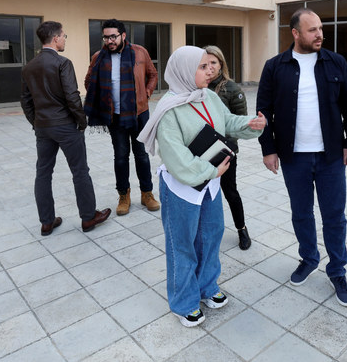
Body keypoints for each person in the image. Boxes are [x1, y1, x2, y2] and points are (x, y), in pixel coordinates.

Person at [137, 46, 266, 327]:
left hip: (210, 185)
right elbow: (176, 158)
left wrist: (251, 124)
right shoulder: (170, 109)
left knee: (210, 235)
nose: (210, 71)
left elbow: (227, 122)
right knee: (182, 245)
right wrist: (210, 171)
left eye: (211, 66)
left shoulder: (207, 96)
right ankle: (183, 302)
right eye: (202, 66)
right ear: (184, 70)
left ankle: (207, 287)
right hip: (183, 188)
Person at [256, 8, 347, 307]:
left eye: (320, 29)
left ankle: (337, 270)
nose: (320, 34)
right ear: (295, 33)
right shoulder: (275, 67)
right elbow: (263, 112)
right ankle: (309, 258)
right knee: (301, 213)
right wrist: (268, 148)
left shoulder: (335, 62)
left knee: (334, 216)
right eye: (312, 30)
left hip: (330, 156)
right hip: (293, 157)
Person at [21, 21, 111, 236]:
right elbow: (72, 96)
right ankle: (89, 217)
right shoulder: (62, 63)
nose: (64, 39)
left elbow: (25, 101)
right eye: (63, 36)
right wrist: (81, 121)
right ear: (55, 39)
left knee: (43, 174)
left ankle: (47, 222)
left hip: (43, 127)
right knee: (80, 172)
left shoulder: (29, 66)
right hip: (65, 126)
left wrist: (37, 122)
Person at [84, 19, 160, 216]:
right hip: (115, 117)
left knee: (142, 156)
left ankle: (147, 193)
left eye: (113, 36)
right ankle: (123, 195)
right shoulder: (98, 57)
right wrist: (102, 100)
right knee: (120, 157)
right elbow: (89, 82)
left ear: (123, 36)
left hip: (139, 114)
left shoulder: (139, 52)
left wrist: (147, 93)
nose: (109, 40)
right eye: (106, 37)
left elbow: (153, 75)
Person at [204, 45, 251, 250]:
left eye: (214, 62)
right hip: (200, 150)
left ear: (221, 64)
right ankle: (205, 232)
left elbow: (240, 123)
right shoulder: (197, 86)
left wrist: (223, 138)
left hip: (224, 150)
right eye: (205, 64)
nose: (210, 67)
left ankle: (241, 229)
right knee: (204, 193)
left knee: (230, 191)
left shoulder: (232, 89)